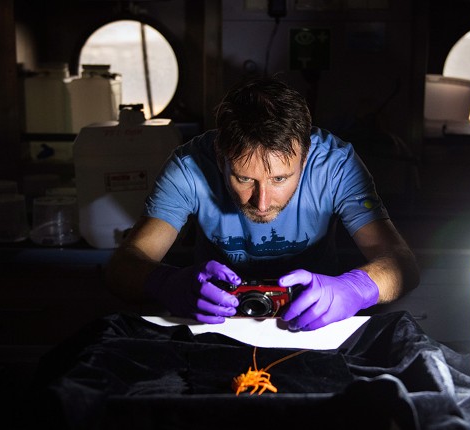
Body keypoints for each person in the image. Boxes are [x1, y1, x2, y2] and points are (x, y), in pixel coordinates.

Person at [105, 76, 419, 331]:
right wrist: (167, 283)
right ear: (219, 156)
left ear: (306, 157)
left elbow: (401, 262)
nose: (262, 202)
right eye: (244, 179)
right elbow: (122, 267)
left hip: (313, 327)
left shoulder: (336, 165)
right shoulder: (189, 166)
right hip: (217, 326)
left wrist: (355, 288)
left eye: (280, 179)